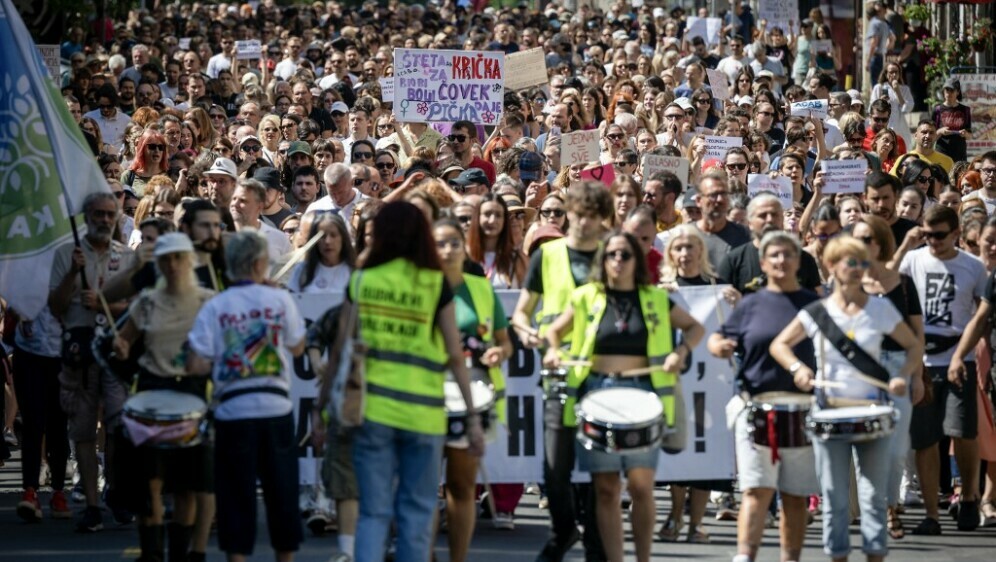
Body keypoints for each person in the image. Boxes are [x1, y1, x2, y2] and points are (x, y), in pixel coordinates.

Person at [313, 202, 485, 562]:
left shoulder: (362, 280)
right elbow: (455, 354)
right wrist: (472, 416)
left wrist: (320, 410)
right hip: (423, 414)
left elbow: (341, 349)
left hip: (373, 412)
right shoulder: (434, 282)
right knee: (418, 511)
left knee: (373, 512)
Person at [544, 231, 704, 562]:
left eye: (625, 255)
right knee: (605, 489)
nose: (618, 261)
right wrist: (554, 351)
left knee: (642, 486)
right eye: (611, 255)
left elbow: (695, 327)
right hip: (596, 394)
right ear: (603, 261)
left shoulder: (654, 298)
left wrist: (681, 351)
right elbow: (553, 332)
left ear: (637, 261)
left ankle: (643, 559)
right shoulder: (586, 296)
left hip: (643, 394)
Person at [772, 235, 922, 562]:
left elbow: (913, 346)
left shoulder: (880, 308)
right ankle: (838, 555)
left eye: (862, 263)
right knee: (835, 499)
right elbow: (779, 345)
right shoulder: (816, 312)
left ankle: (874, 555)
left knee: (872, 498)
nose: (857, 269)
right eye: (850, 262)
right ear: (831, 266)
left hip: (873, 410)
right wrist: (799, 368)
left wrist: (902, 375)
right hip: (829, 412)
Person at [186, 230, 307, 562]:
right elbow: (298, 346)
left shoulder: (216, 305)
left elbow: (196, 363)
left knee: (235, 495)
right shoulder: (280, 300)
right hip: (276, 408)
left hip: (233, 411)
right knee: (282, 491)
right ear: (258, 264)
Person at [512, 182, 612, 562]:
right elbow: (523, 310)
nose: (583, 223)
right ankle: (565, 528)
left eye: (591, 216)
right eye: (578, 214)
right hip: (558, 371)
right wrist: (525, 330)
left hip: (602, 372)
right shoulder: (548, 255)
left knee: (601, 468)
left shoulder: (612, 255)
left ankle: (596, 544)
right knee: (555, 468)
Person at [710, 230, 821, 562]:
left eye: (788, 254)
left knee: (796, 496)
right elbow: (718, 338)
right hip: (756, 406)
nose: (781, 260)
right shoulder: (750, 304)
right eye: (774, 255)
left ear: (798, 261)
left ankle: (791, 558)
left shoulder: (813, 305)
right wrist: (721, 346)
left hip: (803, 408)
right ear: (763, 263)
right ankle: (746, 555)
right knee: (755, 491)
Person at [111, 233, 215, 562]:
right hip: (151, 390)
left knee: (186, 486)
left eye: (178, 258)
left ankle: (181, 554)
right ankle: (152, 553)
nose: (172, 265)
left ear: (189, 261)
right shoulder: (147, 301)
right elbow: (126, 340)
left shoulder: (209, 301)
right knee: (149, 483)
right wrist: (122, 346)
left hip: (192, 392)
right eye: (166, 259)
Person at [48, 192, 136, 532]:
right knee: (83, 430)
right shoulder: (67, 255)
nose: (103, 220)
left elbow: (134, 306)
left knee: (118, 426)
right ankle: (92, 503)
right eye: (97, 214)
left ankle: (115, 490)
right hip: (78, 353)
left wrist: (103, 304)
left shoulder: (126, 257)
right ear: (86, 217)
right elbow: (55, 307)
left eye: (109, 215)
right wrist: (73, 272)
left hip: (114, 352)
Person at [899, 204, 988, 534]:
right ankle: (932, 514)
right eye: (928, 234)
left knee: (962, 431)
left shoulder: (973, 267)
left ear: (955, 234)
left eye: (939, 236)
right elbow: (887, 282)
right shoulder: (915, 258)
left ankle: (969, 498)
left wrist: (964, 354)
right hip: (922, 357)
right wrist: (907, 246)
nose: (932, 242)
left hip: (957, 355)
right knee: (925, 439)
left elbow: (981, 315)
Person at [433, 218, 513, 557]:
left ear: (465, 246)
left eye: (454, 242)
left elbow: (505, 342)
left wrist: (499, 352)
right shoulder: (419, 287)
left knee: (461, 485)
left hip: (473, 391)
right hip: (427, 391)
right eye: (440, 243)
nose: (448, 249)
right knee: (419, 486)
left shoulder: (481, 288)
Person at [657, 224, 738, 543]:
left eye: (691, 247)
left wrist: (736, 299)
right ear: (670, 254)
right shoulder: (662, 292)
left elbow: (734, 330)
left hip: (712, 384)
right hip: (675, 383)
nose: (685, 253)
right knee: (680, 451)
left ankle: (695, 524)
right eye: (679, 248)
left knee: (707, 454)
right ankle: (675, 516)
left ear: (701, 253)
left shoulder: (717, 288)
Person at [852, 214, 925, 540]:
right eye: (857, 239)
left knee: (896, 447)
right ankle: (877, 511)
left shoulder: (904, 284)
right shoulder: (849, 282)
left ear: (881, 243)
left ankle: (891, 503)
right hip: (861, 369)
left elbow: (917, 334)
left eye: (868, 239)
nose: (862, 245)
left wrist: (917, 377)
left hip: (898, 368)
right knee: (863, 445)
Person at [286, 213, 356, 294]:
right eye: (322, 236)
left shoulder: (354, 272)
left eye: (333, 235)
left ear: (343, 238)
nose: (327, 241)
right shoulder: (302, 270)